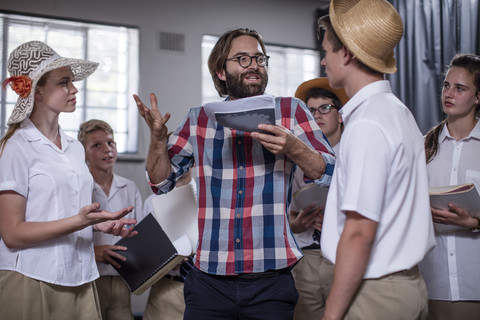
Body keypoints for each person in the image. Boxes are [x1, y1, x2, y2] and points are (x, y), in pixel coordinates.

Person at [134, 28, 335, 320]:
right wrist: (156, 139)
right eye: (242, 58)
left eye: (259, 58)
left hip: (271, 280)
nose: (253, 64)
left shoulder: (292, 111)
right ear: (221, 71)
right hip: (208, 282)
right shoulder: (198, 118)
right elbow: (160, 182)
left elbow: (328, 171)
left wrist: (293, 146)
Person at [0, 41, 137, 320]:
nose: (74, 89)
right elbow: (12, 234)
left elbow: (65, 212)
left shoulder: (74, 148)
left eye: (72, 81)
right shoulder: (16, 147)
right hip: (32, 277)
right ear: (36, 91)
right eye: (64, 82)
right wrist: (80, 222)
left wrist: (104, 224)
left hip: (81, 277)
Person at [318, 1, 436, 319]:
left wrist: (330, 316)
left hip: (375, 294)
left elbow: (360, 232)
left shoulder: (367, 124)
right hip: (404, 287)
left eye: (326, 50)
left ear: (347, 54)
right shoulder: (396, 110)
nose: (323, 60)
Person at [418, 54, 480, 320]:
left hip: (475, 286)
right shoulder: (421, 148)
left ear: (478, 97)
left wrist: (474, 222)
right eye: (446, 85)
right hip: (430, 286)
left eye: (460, 88)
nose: (449, 93)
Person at [289, 77, 348, 319]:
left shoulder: (356, 151)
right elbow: (290, 215)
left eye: (325, 108)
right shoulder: (299, 158)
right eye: (311, 111)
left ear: (341, 115)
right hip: (308, 258)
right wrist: (298, 223)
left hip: (343, 253)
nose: (318, 115)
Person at [78, 119, 145, 320]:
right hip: (89, 279)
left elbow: (140, 232)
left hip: (122, 279)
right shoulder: (79, 189)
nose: (107, 149)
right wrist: (93, 252)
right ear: (84, 153)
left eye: (110, 143)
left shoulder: (129, 187)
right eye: (97, 145)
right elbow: (69, 232)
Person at [142, 170, 195, 320]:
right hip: (167, 291)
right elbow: (144, 252)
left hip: (208, 289)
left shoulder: (210, 199)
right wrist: (163, 259)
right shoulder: (152, 202)